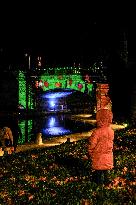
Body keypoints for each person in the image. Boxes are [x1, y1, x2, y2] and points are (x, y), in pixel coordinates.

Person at [88, 109, 114, 186]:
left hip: (98, 155)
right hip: (108, 154)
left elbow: (92, 143)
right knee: (106, 171)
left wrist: (90, 151)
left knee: (98, 171)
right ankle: (106, 183)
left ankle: (98, 185)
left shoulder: (97, 132)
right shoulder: (111, 131)